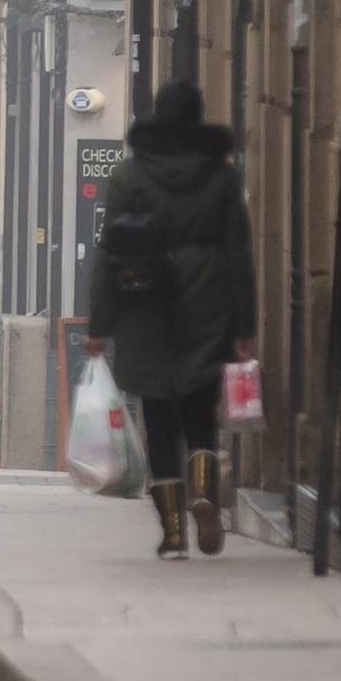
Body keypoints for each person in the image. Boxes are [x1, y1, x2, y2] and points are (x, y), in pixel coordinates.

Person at [83, 81, 258, 560]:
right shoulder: (220, 177)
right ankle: (205, 492)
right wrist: (245, 326)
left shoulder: (129, 176)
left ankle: (174, 531)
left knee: (159, 418)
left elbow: (109, 252)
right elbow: (239, 252)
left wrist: (100, 323)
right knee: (200, 412)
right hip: (208, 299)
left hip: (145, 301)